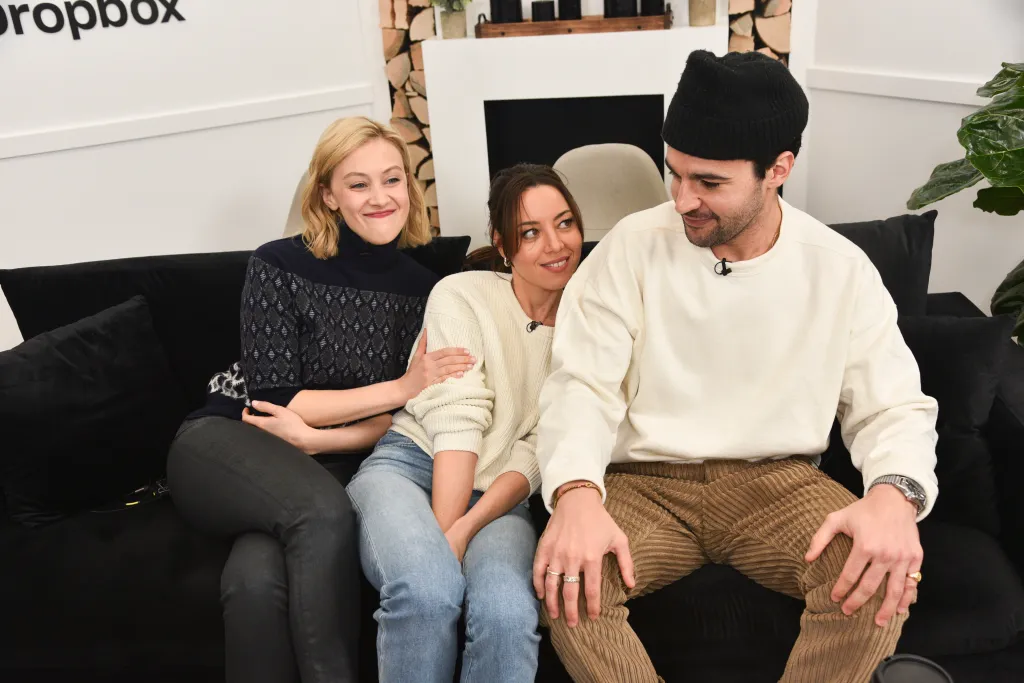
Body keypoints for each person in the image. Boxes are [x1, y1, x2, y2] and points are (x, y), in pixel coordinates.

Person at [532, 50, 939, 683]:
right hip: (644, 486)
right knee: (568, 582)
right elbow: (581, 384)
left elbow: (893, 406)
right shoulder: (629, 248)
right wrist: (576, 493)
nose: (682, 199)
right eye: (674, 174)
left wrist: (895, 494)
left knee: (879, 578)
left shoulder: (840, 269)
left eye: (709, 183)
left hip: (779, 485)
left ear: (778, 169)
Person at [166, 116, 474, 683]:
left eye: (392, 179)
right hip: (232, 439)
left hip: (323, 460)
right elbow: (277, 398)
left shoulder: (426, 290)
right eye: (358, 184)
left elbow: (405, 420)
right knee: (323, 513)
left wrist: (318, 441)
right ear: (329, 195)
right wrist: (401, 386)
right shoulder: (278, 263)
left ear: (409, 186)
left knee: (253, 583)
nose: (380, 197)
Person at [344, 163, 584, 683]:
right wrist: (441, 544)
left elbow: (538, 449)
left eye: (565, 223)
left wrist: (464, 530)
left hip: (499, 497)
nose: (555, 245)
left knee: (508, 616)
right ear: (502, 244)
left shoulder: (589, 325)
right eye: (530, 232)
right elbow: (457, 419)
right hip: (412, 466)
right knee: (427, 590)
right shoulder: (462, 294)